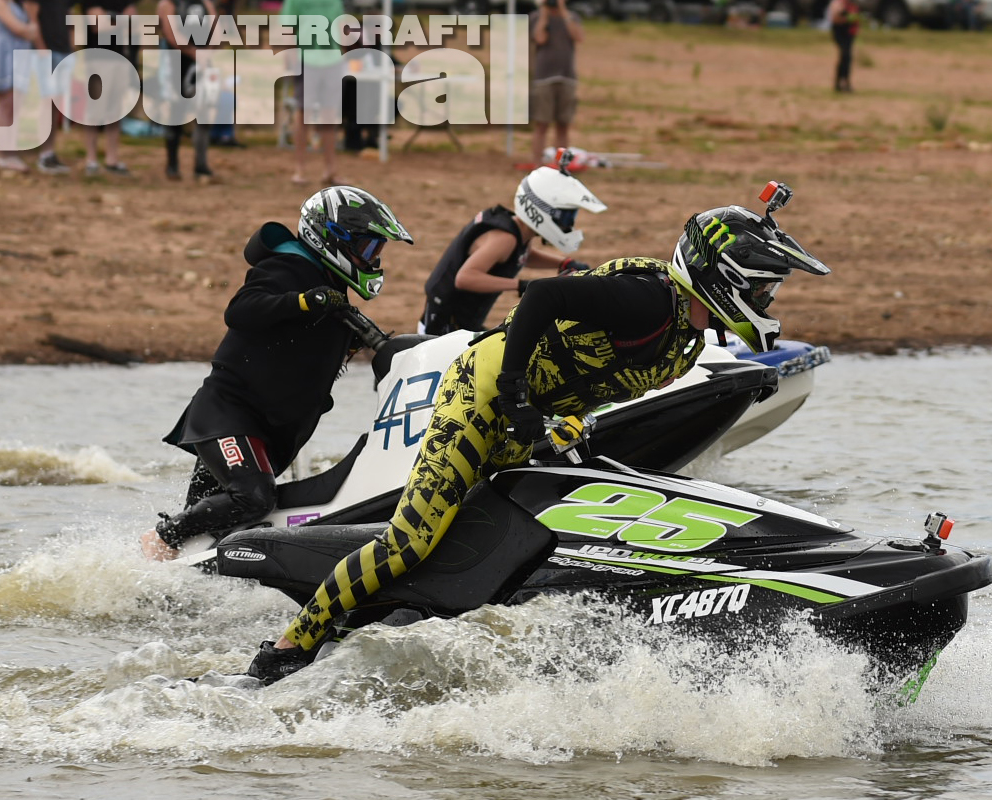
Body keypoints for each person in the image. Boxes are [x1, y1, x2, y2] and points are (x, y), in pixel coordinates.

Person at [243, 183, 832, 684]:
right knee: (410, 542)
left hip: (529, 418)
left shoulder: (686, 335)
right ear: (726, 278)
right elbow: (545, 295)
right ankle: (287, 650)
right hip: (482, 397)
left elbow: (602, 376)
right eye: (763, 287)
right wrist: (515, 391)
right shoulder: (649, 299)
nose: (767, 299)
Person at [140, 186, 413, 561]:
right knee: (253, 498)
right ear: (334, 238)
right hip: (229, 415)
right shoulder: (288, 268)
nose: (373, 259)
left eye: (376, 251)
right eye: (367, 248)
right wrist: (303, 301)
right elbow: (240, 310)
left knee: (217, 529)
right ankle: (161, 537)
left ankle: (170, 575)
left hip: (271, 432)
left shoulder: (335, 296)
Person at [418, 163, 605, 336]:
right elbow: (465, 278)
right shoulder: (504, 239)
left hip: (462, 321)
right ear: (539, 209)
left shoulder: (520, 231)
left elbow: (522, 256)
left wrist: (563, 263)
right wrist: (522, 285)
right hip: (443, 326)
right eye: (564, 218)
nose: (567, 224)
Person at [280, 0, 346, 185]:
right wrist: (291, 59)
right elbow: (288, 28)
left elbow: (340, 26)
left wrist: (342, 54)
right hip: (306, 60)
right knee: (303, 114)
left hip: (332, 60)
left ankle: (331, 170)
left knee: (329, 115)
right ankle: (300, 169)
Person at [157, 0, 216, 181]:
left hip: (202, 61)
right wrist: (194, 52)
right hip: (176, 61)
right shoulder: (168, 3)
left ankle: (201, 164)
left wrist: (207, 51)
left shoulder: (205, 2)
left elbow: (216, 26)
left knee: (204, 111)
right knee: (177, 111)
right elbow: (171, 33)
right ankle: (172, 164)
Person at [82, 1, 136, 176]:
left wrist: (112, 19)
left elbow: (134, 25)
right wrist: (123, 20)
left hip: (120, 58)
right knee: (95, 110)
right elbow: (99, 26)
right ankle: (91, 160)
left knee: (115, 111)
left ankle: (112, 160)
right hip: (97, 58)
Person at [529, 0, 583, 168]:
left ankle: (561, 165)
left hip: (567, 77)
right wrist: (544, 16)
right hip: (544, 78)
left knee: (563, 125)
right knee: (541, 124)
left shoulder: (572, 17)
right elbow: (540, 38)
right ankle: (537, 164)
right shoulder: (536, 17)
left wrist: (563, 12)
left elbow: (578, 37)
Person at [22, 0, 74, 174]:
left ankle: (49, 153)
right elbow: (31, 16)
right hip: (45, 52)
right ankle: (42, 155)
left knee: (54, 105)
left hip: (63, 51)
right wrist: (41, 48)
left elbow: (69, 16)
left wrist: (71, 47)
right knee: (45, 103)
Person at [0, 0, 40, 173]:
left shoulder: (15, 4)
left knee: (15, 105)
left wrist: (30, 29)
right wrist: (29, 29)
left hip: (19, 53)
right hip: (6, 54)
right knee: (6, 104)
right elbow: (19, 29)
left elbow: (30, 31)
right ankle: (5, 155)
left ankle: (11, 150)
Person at [828, 0, 859, 93]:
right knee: (844, 56)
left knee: (847, 58)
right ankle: (839, 82)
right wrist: (847, 19)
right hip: (840, 33)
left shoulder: (852, 4)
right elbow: (834, 19)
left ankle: (845, 81)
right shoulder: (837, 4)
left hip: (849, 34)